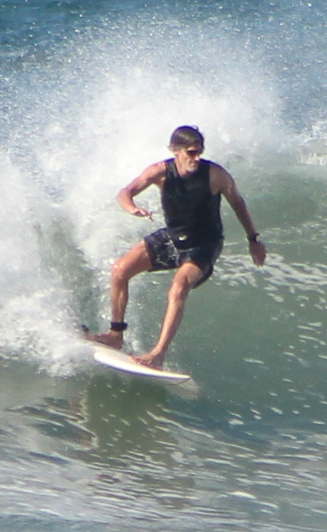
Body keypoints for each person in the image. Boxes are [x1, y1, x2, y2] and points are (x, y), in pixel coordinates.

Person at [86, 126, 267, 370]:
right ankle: (115, 335)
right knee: (120, 270)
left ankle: (158, 354)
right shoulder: (160, 172)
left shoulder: (215, 175)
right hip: (173, 237)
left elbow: (237, 203)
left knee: (178, 287)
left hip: (204, 244)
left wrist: (253, 239)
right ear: (175, 151)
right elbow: (125, 192)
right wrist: (132, 208)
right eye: (191, 152)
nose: (196, 158)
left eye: (200, 152)